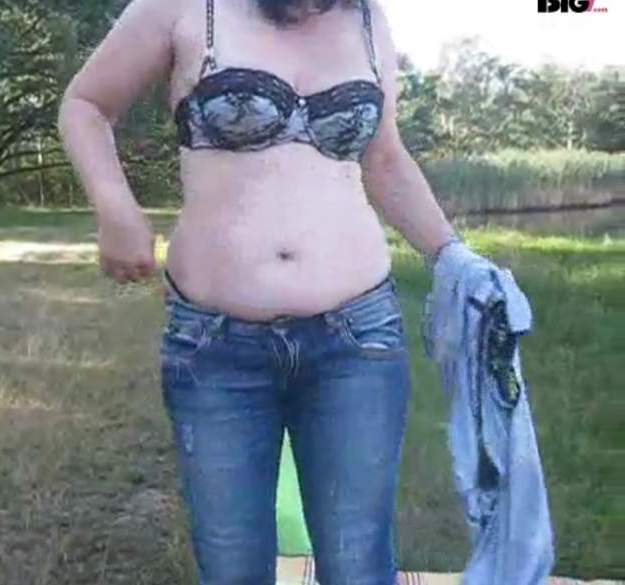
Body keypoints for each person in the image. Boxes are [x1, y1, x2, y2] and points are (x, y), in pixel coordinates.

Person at [58, 0, 460, 583]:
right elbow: (86, 105)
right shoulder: (183, 7)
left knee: (358, 561)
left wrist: (453, 257)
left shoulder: (368, 19)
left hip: (358, 338)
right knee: (232, 565)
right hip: (215, 346)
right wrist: (115, 208)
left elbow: (385, 158)